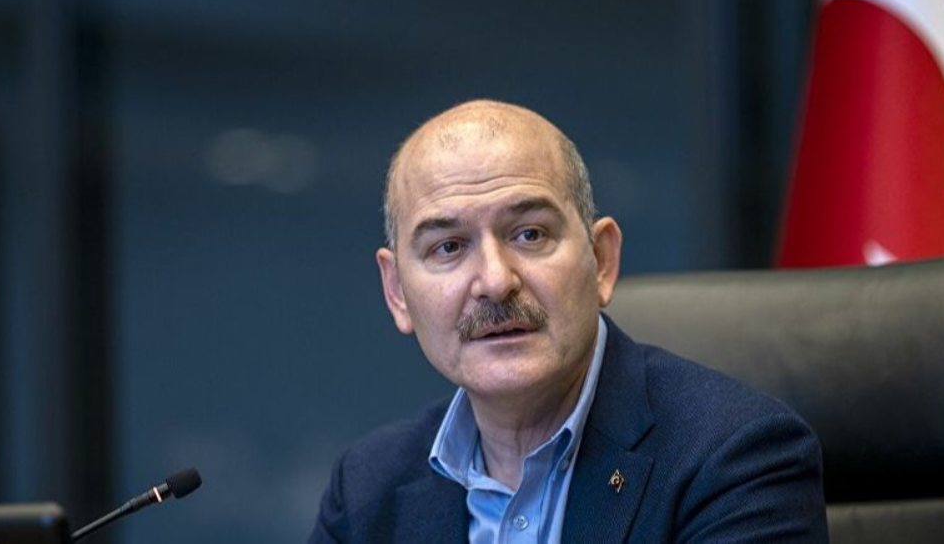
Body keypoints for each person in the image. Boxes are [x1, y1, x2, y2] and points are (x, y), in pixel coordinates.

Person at [310, 100, 828, 543]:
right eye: (448, 247)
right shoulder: (365, 492)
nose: (495, 281)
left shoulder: (736, 458)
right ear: (397, 292)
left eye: (530, 234)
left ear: (602, 260)